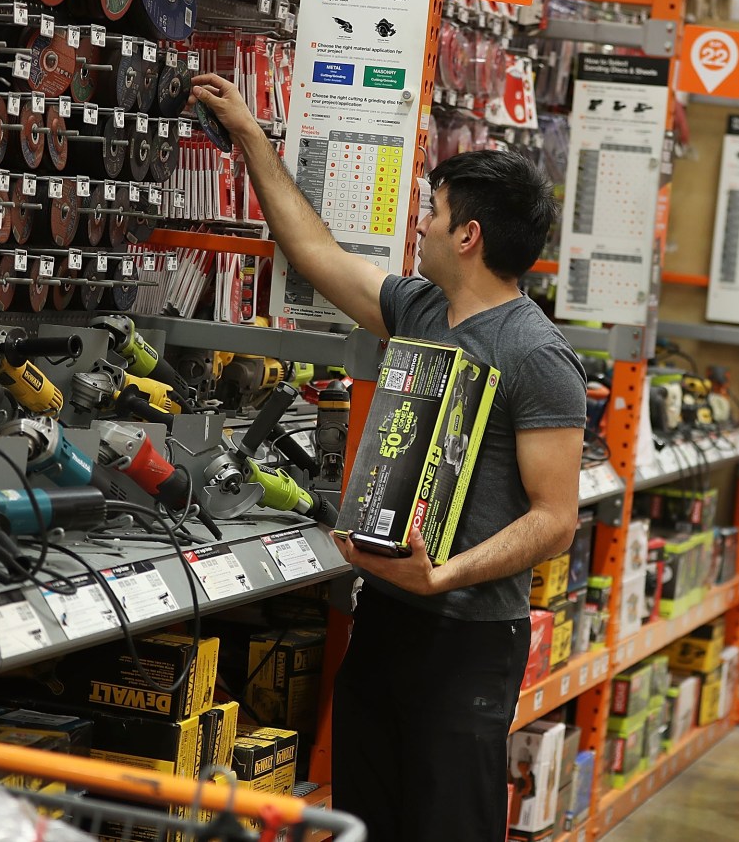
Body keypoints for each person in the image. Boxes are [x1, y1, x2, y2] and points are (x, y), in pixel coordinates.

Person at [191, 74, 586, 842]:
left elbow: (556, 518)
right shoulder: (420, 309)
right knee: (365, 824)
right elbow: (311, 251)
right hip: (385, 622)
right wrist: (250, 138)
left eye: (433, 213)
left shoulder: (537, 354)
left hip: (467, 639)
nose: (422, 227)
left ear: (468, 235)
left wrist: (443, 572)